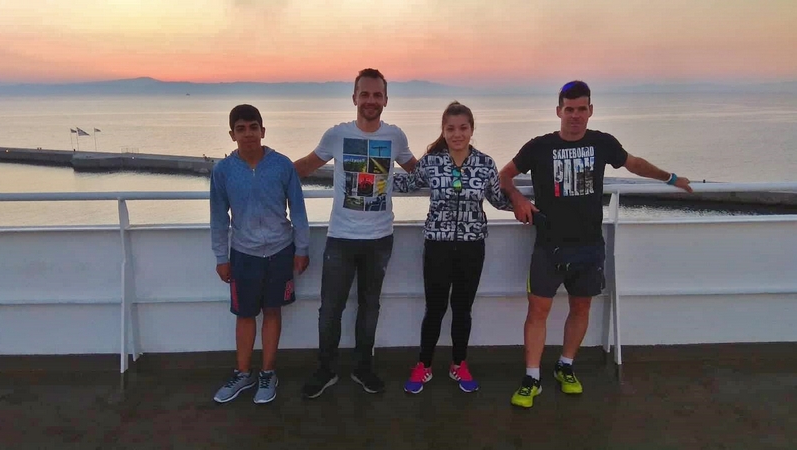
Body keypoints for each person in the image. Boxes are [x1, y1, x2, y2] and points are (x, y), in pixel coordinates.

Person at [498, 81, 692, 408]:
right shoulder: (539, 146)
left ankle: (566, 366)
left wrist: (670, 178)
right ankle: (532, 377)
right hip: (549, 245)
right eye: (569, 109)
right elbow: (504, 175)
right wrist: (517, 198)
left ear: (590, 111)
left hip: (589, 245)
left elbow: (633, 163)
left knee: (581, 307)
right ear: (559, 111)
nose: (575, 115)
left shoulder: (602, 143)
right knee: (538, 311)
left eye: (581, 109)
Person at [294, 68, 417, 398]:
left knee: (369, 307)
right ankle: (326, 369)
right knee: (330, 309)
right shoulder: (337, 135)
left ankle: (363, 368)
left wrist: (457, 174)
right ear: (354, 98)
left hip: (380, 239)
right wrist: (265, 175)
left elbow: (418, 171)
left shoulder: (395, 137)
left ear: (386, 100)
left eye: (377, 95)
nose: (370, 100)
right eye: (365, 94)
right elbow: (305, 166)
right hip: (341, 238)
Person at [393, 101, 513, 394]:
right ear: (443, 131)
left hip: (472, 246)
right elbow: (408, 183)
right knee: (434, 308)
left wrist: (529, 206)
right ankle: (424, 365)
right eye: (451, 129)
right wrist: (371, 176)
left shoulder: (485, 164)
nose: (457, 134)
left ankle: (459, 364)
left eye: (463, 128)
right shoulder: (431, 162)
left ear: (471, 129)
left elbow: (499, 199)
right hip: (438, 245)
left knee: (462, 309)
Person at [210, 104, 310, 404]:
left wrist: (302, 248)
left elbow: (298, 211)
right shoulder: (223, 171)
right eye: (241, 129)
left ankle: (268, 373)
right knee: (244, 315)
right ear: (232, 135)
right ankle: (243, 373)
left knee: (272, 311)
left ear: (263, 131)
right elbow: (218, 218)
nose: (248, 134)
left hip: (280, 251)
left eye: (253, 127)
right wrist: (221, 257)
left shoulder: (282, 165)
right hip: (243, 254)